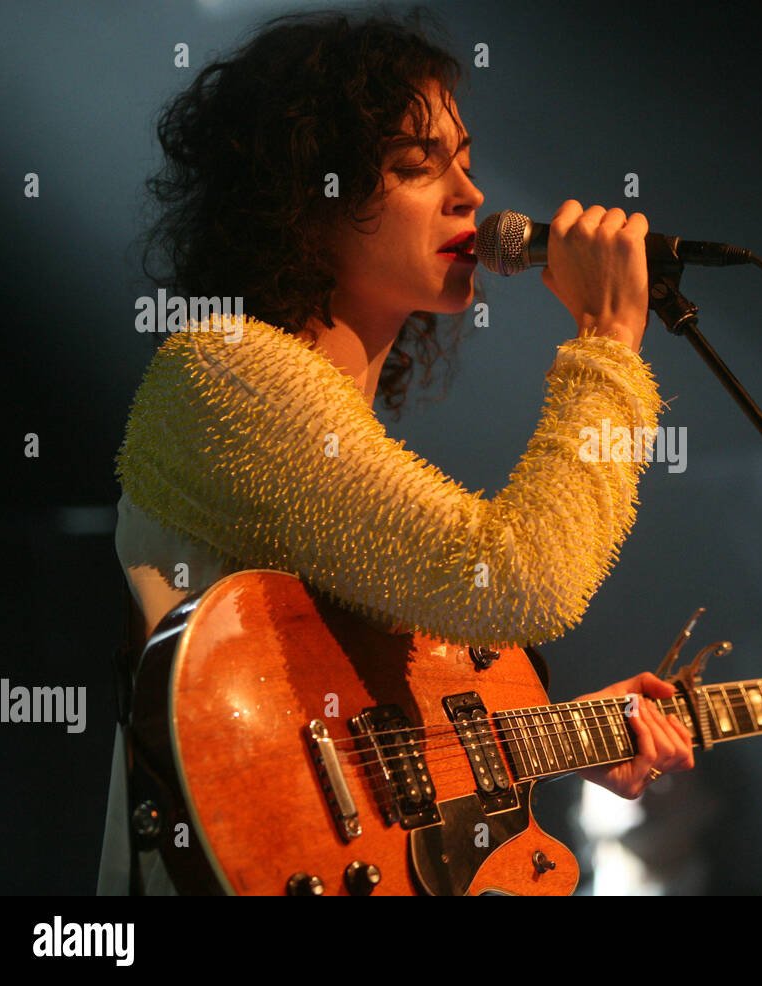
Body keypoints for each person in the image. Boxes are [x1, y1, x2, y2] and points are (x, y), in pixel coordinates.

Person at [98, 7, 694, 895]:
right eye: (416, 165)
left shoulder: (332, 434)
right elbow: (519, 575)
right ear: (304, 196)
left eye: (465, 162)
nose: (469, 196)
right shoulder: (222, 373)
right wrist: (608, 340)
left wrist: (558, 731)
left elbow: (369, 731)